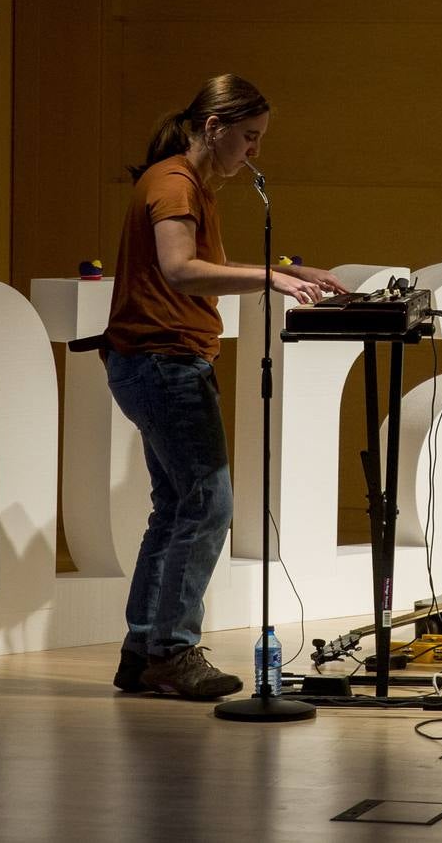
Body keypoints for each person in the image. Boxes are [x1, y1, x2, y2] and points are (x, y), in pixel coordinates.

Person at [105, 74, 347, 698]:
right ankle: (172, 651)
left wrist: (290, 272)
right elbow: (180, 270)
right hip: (163, 360)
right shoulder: (175, 184)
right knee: (208, 504)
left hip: (155, 361)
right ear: (213, 127)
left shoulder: (186, 183)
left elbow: (199, 266)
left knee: (176, 507)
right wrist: (271, 278)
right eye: (249, 136)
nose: (255, 151)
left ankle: (144, 650)